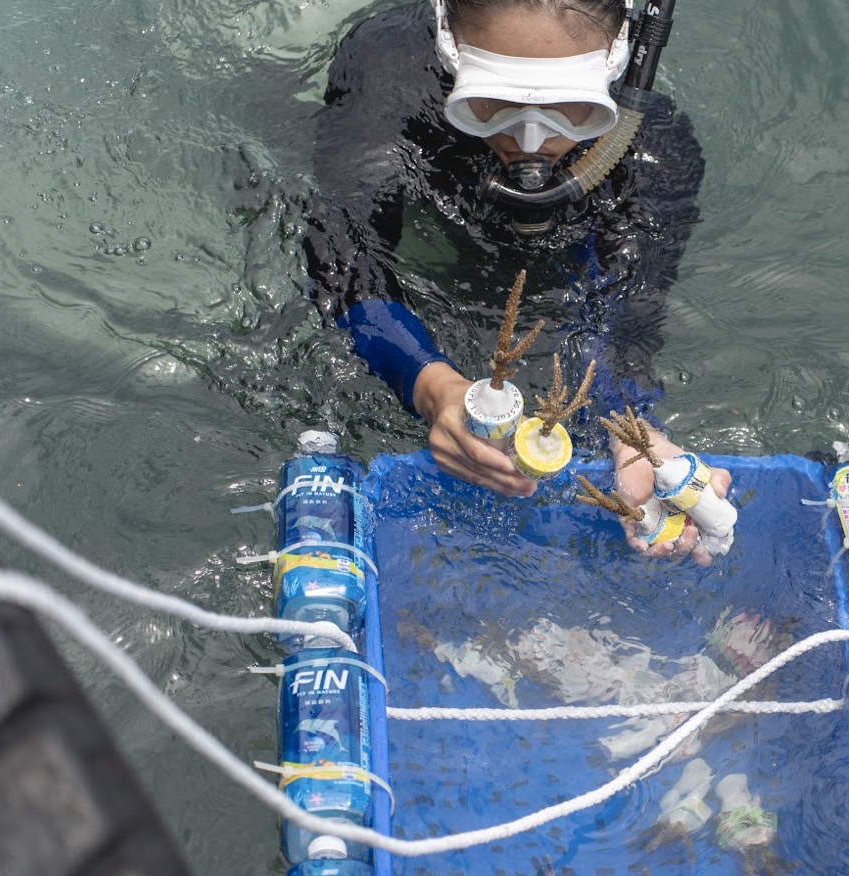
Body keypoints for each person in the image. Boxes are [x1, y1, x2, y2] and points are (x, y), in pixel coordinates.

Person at [302, 0, 729, 563]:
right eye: (493, 103)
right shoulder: (387, 71)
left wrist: (632, 432)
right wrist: (433, 388)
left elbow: (630, 309)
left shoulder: (655, 147)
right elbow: (343, 254)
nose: (531, 142)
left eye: (570, 109)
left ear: (621, 65)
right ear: (448, 45)